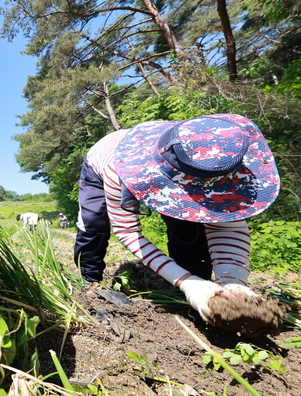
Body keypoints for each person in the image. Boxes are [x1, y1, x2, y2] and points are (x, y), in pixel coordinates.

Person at [73, 114, 280, 324]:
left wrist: (232, 280)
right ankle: (89, 280)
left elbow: (226, 226)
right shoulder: (117, 170)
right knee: (93, 223)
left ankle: (198, 290)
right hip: (102, 163)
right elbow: (127, 231)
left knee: (187, 227)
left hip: (180, 169)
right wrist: (186, 282)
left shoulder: (221, 158)